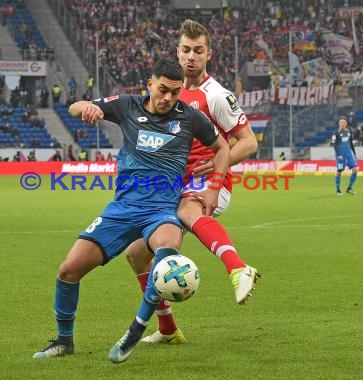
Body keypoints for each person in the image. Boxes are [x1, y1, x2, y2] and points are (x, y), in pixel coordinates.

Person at [32, 59, 230, 363]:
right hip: (122, 209)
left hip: (162, 210)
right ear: (149, 84)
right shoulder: (126, 105)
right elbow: (75, 106)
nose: (168, 98)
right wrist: (88, 108)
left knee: (167, 248)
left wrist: (214, 188)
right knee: (68, 270)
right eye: (163, 90)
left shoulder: (190, 117)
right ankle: (63, 341)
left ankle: (135, 330)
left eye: (175, 93)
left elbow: (223, 147)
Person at [124, 19, 260, 345]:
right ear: (177, 51)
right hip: (175, 185)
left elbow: (248, 142)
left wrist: (214, 166)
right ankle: (168, 329)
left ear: (208, 55)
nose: (191, 57)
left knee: (188, 211)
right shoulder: (170, 92)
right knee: (136, 253)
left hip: (211, 182)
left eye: (198, 51)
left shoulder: (216, 95)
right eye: (185, 50)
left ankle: (238, 268)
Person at [332, 116, 358, 195]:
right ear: (339, 123)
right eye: (341, 122)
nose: (342, 124)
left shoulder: (349, 131)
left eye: (344, 122)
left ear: (346, 123)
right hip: (340, 155)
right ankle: (338, 190)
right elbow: (334, 144)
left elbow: (351, 143)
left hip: (349, 154)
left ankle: (349, 188)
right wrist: (339, 154)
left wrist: (354, 153)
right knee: (339, 171)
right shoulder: (335, 132)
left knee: (355, 170)